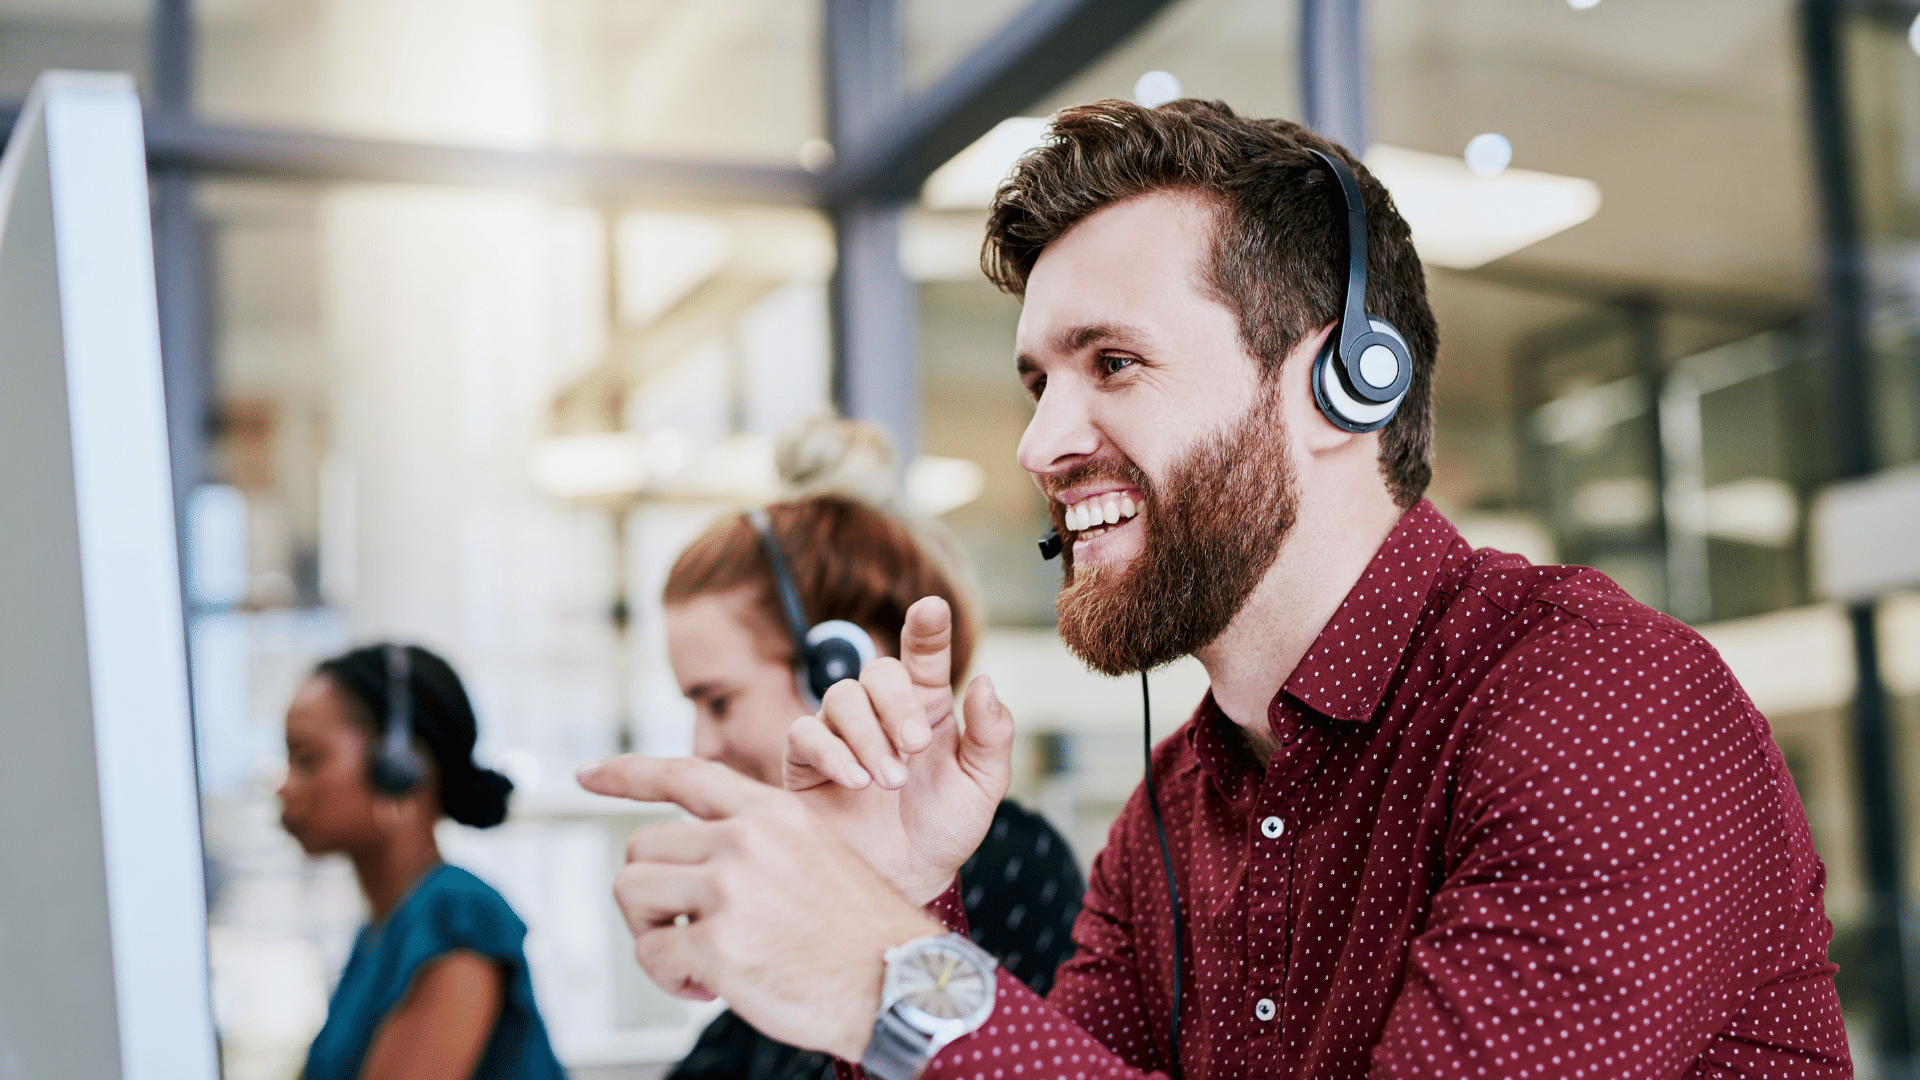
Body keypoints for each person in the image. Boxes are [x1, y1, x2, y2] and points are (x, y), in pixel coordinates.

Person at [578, 98, 1849, 1080]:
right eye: (1037, 382)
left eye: (1113, 363)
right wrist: (903, 905)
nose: (1038, 447)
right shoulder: (1173, 814)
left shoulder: (1602, 707)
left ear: (1342, 385)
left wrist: (894, 977)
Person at [660, 491, 1086, 1080]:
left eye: (719, 702)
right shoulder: (809, 881)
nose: (703, 746)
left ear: (837, 670)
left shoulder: (1005, 863)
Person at [280, 643, 567, 1080]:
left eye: (306, 760)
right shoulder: (381, 928)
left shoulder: (455, 915)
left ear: (399, 766)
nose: (284, 788)